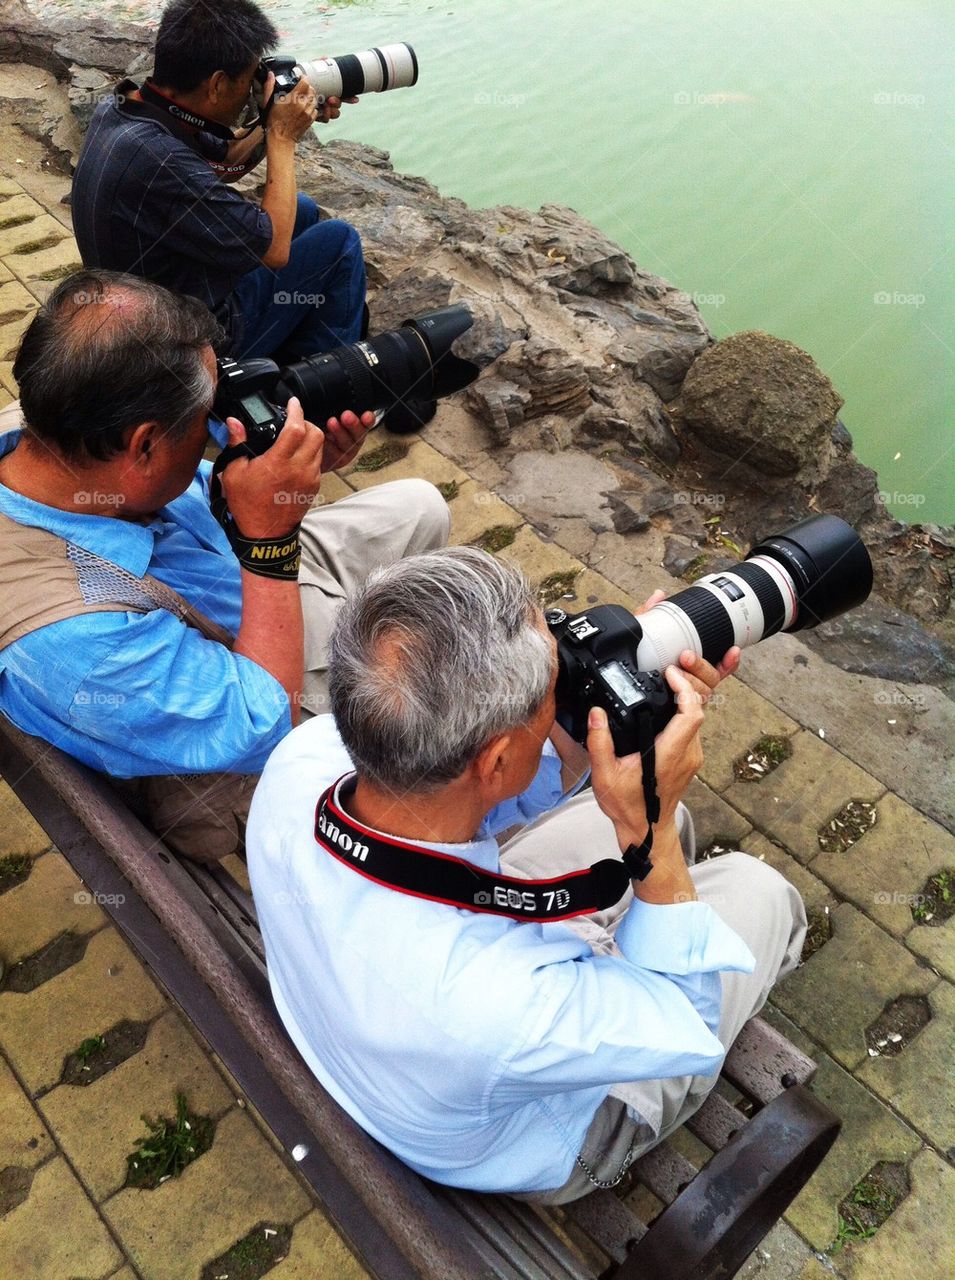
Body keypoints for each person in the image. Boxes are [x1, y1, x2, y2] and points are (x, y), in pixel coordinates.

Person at [246, 547, 807, 1201]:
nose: (562, 686)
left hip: (390, 1017)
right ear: (496, 758)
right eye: (552, 691)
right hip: (542, 1129)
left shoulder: (304, 761)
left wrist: (590, 711)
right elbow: (682, 1022)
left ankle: (650, 894)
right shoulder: (494, 1011)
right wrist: (649, 828)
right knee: (758, 889)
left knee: (615, 835)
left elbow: (485, 781)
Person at [0, 271, 449, 862]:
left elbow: (210, 467)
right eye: (200, 417)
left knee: (421, 505)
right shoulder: (80, 643)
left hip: (231, 556)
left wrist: (293, 456)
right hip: (255, 670)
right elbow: (265, 716)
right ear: (143, 447)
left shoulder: (40, 425)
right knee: (449, 680)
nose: (211, 423)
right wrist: (270, 540)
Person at [71, 0, 365, 361]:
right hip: (182, 342)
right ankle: (323, 387)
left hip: (144, 297)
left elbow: (227, 156)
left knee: (301, 211)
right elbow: (274, 250)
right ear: (217, 85)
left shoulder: (125, 107)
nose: (251, 89)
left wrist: (276, 117)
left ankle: (293, 343)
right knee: (340, 243)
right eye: (249, 79)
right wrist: (283, 137)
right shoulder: (160, 160)